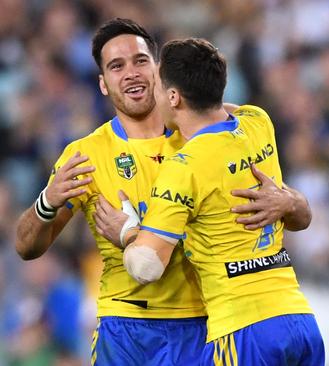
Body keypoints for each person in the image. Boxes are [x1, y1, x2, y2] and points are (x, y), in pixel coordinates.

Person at [15, 18, 311, 365]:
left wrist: (288, 201)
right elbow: (26, 247)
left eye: (140, 61)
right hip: (127, 328)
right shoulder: (86, 156)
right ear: (103, 84)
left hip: (205, 327)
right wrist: (47, 202)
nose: (131, 73)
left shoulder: (211, 129)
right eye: (116, 66)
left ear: (158, 71)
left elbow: (300, 216)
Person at [119, 38, 324, 365]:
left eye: (159, 87)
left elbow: (146, 266)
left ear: (174, 96)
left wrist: (128, 231)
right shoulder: (258, 123)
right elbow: (224, 112)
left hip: (243, 330)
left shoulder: (185, 167)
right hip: (299, 321)